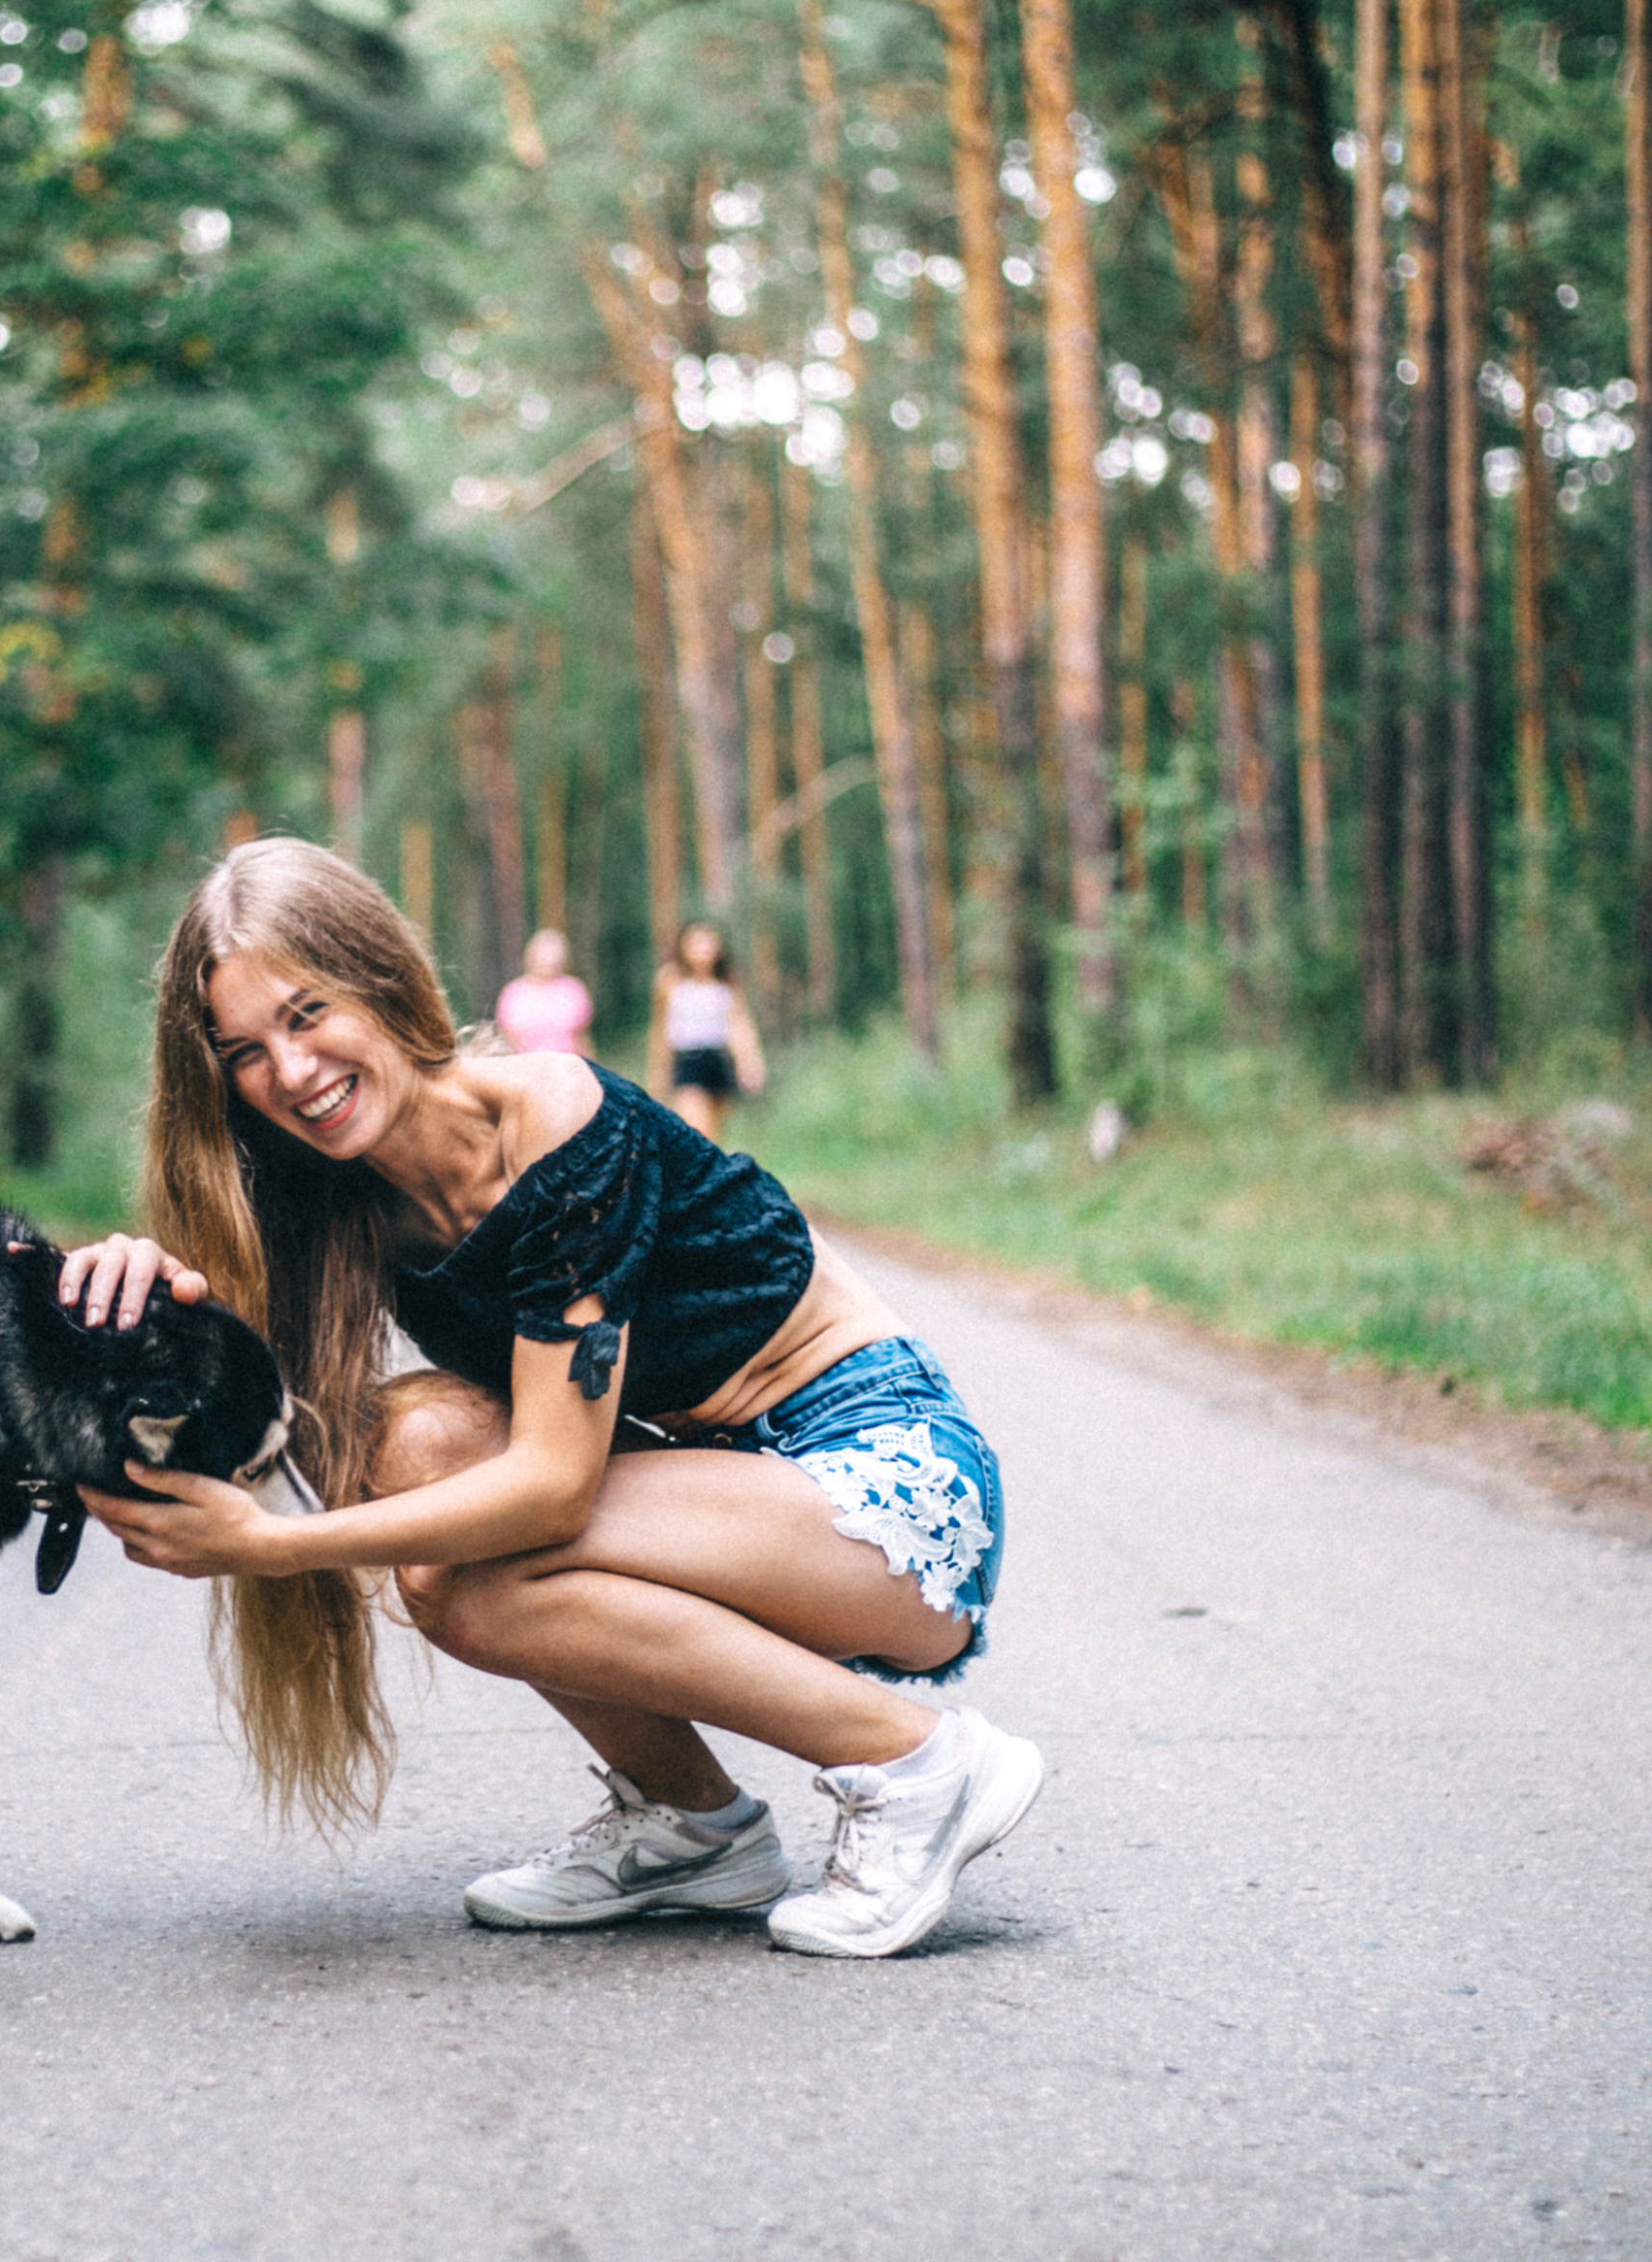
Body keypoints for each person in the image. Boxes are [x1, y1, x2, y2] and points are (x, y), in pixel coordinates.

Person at [60, 839, 1039, 1959]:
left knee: (466, 1573)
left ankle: (920, 1764)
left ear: (379, 977)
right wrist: (142, 1290)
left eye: (307, 1012)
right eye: (243, 1051)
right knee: (417, 1446)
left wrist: (274, 1545)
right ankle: (692, 1827)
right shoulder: (332, 1190)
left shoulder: (556, 1120)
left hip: (888, 1480)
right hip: (726, 1491)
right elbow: (250, 1400)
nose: (289, 1069)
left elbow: (553, 1487)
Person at [651, 920, 765, 1143]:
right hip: (687, 1061)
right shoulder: (670, 979)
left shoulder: (727, 980)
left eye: (708, 942)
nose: (702, 949)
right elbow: (660, 1029)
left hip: (717, 1059)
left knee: (712, 1140)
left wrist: (749, 1064)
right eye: (696, 942)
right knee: (695, 1133)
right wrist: (658, 1072)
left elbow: (740, 1025)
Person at [493, 928, 594, 1056]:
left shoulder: (573, 990)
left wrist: (590, 1065)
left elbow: (581, 1038)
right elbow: (508, 1039)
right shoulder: (513, 994)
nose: (549, 962)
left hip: (567, 1062)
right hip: (526, 1063)